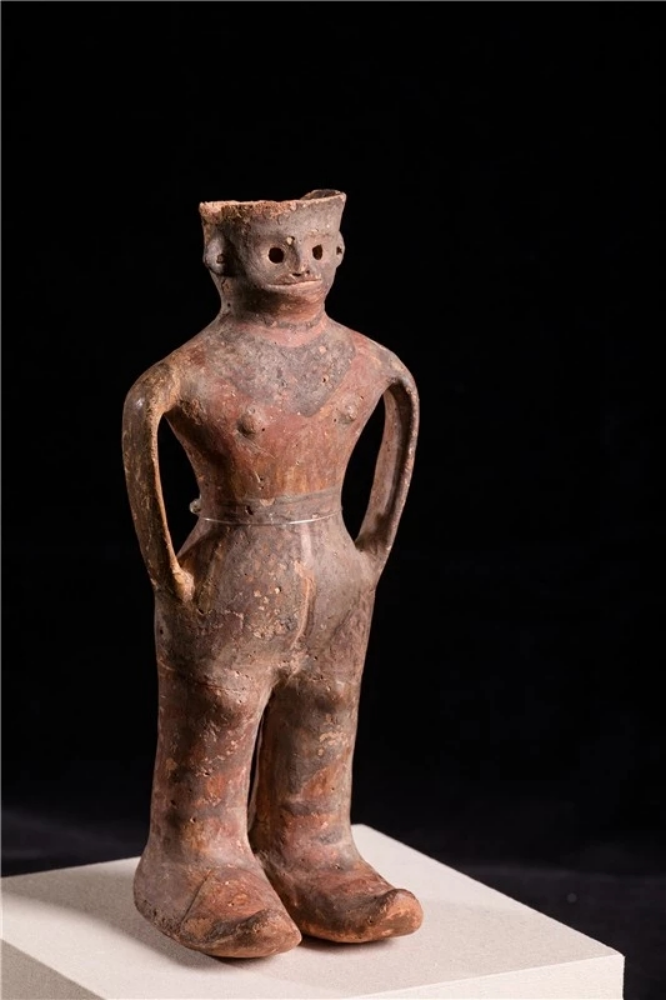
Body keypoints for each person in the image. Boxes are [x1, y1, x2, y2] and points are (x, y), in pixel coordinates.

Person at [122, 190, 422, 958]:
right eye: (279, 253)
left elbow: (401, 414)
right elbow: (144, 421)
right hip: (230, 564)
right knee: (220, 707)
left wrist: (369, 555)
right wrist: (169, 579)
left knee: (328, 703)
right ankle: (193, 859)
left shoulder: (366, 360)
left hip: (336, 565)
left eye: (317, 249)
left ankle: (311, 848)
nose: (301, 267)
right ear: (221, 259)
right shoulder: (192, 371)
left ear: (340, 250)